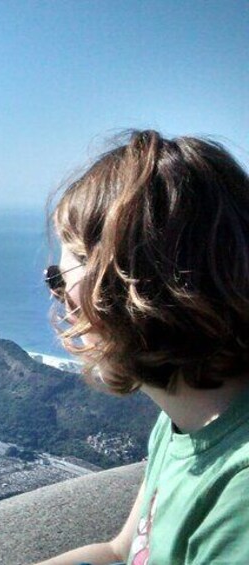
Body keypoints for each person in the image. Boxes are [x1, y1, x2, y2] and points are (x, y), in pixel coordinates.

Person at [38, 130, 249, 565]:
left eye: (69, 268)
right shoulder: (183, 420)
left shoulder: (241, 492)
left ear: (142, 283)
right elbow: (121, 552)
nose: (58, 294)